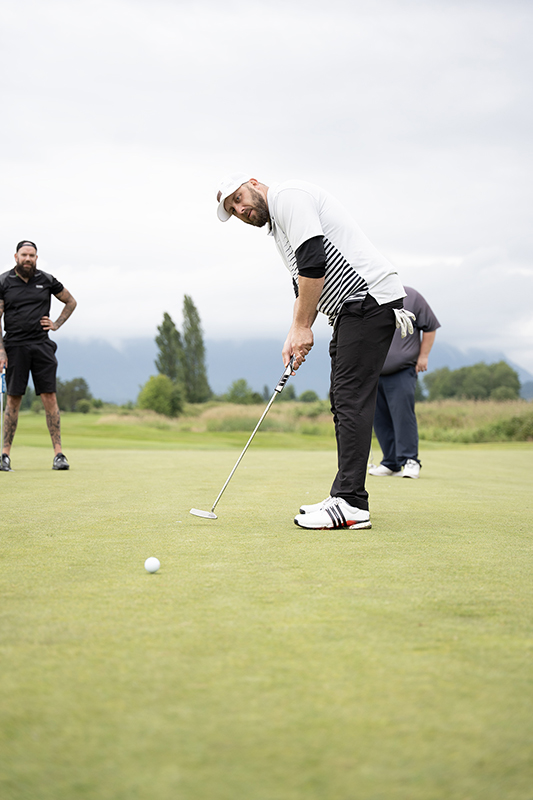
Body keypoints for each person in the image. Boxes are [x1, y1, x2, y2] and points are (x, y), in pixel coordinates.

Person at [216, 173, 414, 530]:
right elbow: (302, 283)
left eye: (238, 198)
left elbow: (313, 262)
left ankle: (351, 503)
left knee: (350, 397)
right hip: (350, 310)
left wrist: (303, 327)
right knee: (343, 398)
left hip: (367, 298)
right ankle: (345, 494)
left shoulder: (289, 197)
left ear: (253, 183)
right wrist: (295, 332)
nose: (240, 209)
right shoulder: (278, 228)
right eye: (232, 209)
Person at [0, 240, 77, 471]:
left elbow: (71, 301)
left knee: (50, 398)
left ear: (36, 258)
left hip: (42, 345)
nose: (28, 259)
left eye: (32, 255)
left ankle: (59, 455)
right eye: (24, 255)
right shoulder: (4, 282)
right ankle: (5, 456)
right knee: (13, 399)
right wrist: (1, 350)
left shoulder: (46, 280)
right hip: (14, 346)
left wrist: (56, 324)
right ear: (16, 257)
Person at [369, 286, 440, 479]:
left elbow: (430, 326)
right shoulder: (370, 295)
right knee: (379, 418)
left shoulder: (412, 296)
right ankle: (390, 463)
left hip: (402, 369)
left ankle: (410, 460)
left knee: (403, 416)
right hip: (373, 371)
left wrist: (423, 356)